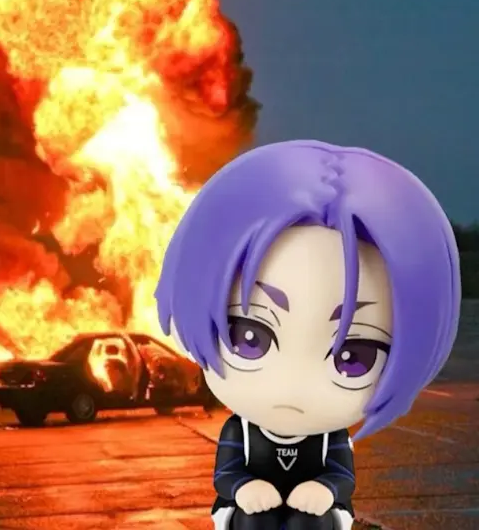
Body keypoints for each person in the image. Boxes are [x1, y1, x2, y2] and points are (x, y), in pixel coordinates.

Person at [154, 140, 461, 530]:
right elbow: (227, 474)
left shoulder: (329, 437)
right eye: (250, 338)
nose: (293, 383)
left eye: (353, 357)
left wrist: (326, 490)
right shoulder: (241, 430)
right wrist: (244, 487)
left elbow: (341, 475)